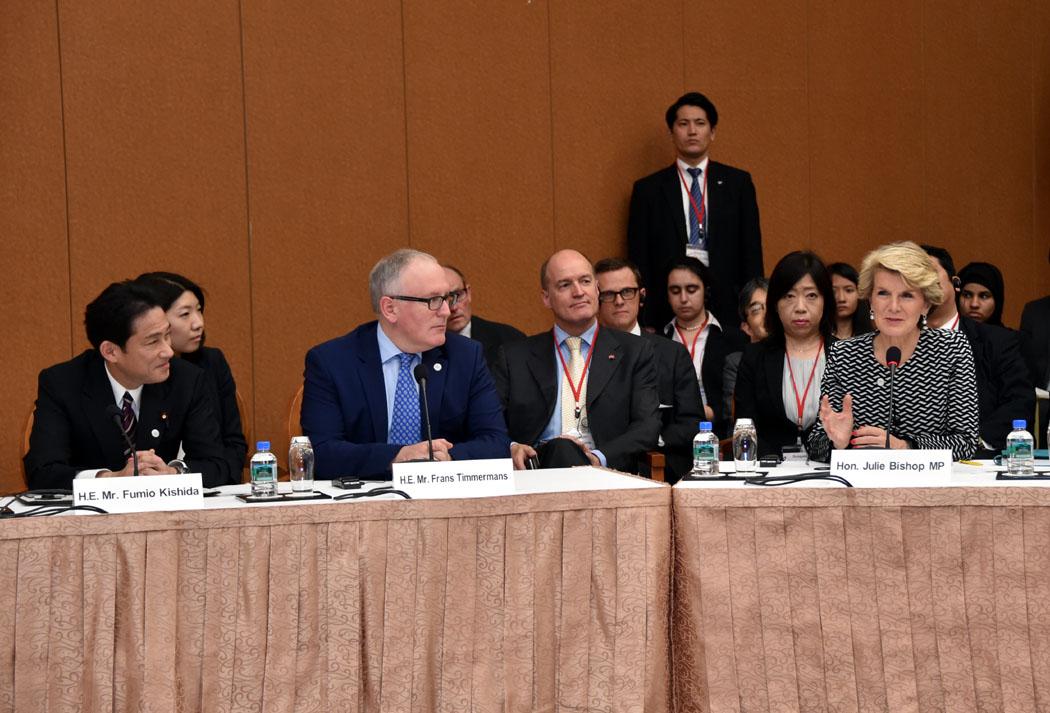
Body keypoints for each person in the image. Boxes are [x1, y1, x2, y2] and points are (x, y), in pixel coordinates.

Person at [300, 249, 510, 479]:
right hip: (364, 500)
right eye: (433, 301)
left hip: (445, 496)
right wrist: (399, 456)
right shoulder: (332, 362)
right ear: (390, 309)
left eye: (447, 298)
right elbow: (320, 452)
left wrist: (445, 458)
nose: (447, 311)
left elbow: (496, 442)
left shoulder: (465, 356)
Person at [24, 280, 238, 490]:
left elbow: (217, 465)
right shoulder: (63, 383)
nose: (169, 351)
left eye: (167, 335)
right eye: (153, 341)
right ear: (111, 351)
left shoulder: (187, 380)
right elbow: (42, 471)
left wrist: (172, 475)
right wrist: (109, 479)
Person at [808, 241, 979, 462]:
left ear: (925, 304)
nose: (894, 307)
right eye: (883, 293)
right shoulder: (845, 354)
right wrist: (838, 444)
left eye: (907, 295)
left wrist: (905, 447)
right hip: (863, 487)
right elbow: (816, 443)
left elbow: (965, 442)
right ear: (870, 300)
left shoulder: (951, 349)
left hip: (930, 488)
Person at [491, 249, 660, 472]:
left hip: (606, 473)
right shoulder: (515, 357)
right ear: (546, 298)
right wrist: (511, 447)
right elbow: (488, 425)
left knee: (566, 452)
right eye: (565, 285)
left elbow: (647, 427)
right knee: (561, 448)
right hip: (537, 473)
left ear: (597, 289)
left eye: (585, 281)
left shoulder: (635, 351)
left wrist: (598, 458)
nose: (578, 292)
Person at [628, 91, 763, 330]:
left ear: (712, 132)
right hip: (666, 305)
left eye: (700, 124)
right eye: (683, 124)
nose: (692, 131)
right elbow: (640, 257)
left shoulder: (737, 183)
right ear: (672, 133)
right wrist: (645, 318)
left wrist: (752, 310)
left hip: (728, 304)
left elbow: (751, 250)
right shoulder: (648, 189)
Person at [594, 257, 702, 482]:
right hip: (596, 464)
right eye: (608, 294)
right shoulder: (584, 354)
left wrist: (650, 437)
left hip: (658, 464)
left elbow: (692, 423)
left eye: (627, 292)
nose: (619, 301)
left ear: (641, 295)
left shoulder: (672, 354)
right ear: (596, 299)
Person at [922, 246, 1033, 454]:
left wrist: (972, 443)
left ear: (955, 284)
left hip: (979, 460)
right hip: (912, 463)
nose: (923, 286)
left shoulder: (998, 341)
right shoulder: (893, 344)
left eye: (929, 276)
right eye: (914, 280)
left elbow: (1019, 401)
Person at [136, 271, 248, 474]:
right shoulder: (136, 372)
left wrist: (218, 474)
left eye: (199, 310)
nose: (198, 323)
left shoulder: (212, 362)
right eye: (185, 314)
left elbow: (233, 443)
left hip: (207, 484)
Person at [735, 252, 836, 458]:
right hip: (769, 474)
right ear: (775, 303)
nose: (800, 308)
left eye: (811, 296)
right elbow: (746, 426)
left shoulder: (846, 355)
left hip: (832, 471)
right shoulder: (755, 356)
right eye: (789, 296)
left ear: (825, 301)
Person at [662, 257, 735, 436]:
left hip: (721, 434)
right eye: (675, 291)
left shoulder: (733, 339)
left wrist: (714, 413)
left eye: (692, 289)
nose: (684, 298)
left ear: (706, 291)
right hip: (672, 436)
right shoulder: (658, 340)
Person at [442, 264, 525, 369]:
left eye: (458, 295)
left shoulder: (509, 340)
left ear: (469, 293)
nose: (453, 307)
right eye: (444, 300)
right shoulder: (424, 348)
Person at [722, 277, 768, 428]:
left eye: (770, 306)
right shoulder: (736, 362)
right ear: (746, 327)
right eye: (756, 310)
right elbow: (737, 416)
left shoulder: (796, 354)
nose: (766, 315)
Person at [828, 262, 872, 338]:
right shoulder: (815, 340)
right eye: (833, 292)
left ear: (859, 293)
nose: (841, 299)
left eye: (849, 290)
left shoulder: (872, 339)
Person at [957, 261, 1006, 326]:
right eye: (967, 295)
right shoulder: (942, 335)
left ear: (997, 301)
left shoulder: (1010, 336)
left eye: (984, 296)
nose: (974, 304)